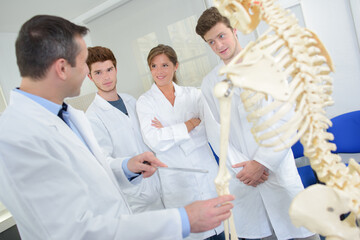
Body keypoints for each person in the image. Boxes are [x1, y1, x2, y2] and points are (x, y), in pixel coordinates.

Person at [0, 15, 235, 240]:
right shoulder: (17, 137)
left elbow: (97, 173)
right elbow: (72, 232)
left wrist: (126, 166)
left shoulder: (70, 116)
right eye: (84, 64)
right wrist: (183, 219)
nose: (89, 73)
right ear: (62, 68)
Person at [195, 7, 319, 240]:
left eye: (221, 36)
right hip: (244, 179)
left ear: (235, 29)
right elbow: (215, 131)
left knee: (302, 233)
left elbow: (287, 120)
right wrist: (243, 169)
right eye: (210, 42)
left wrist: (261, 163)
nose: (218, 46)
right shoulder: (210, 82)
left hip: (277, 171)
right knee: (260, 234)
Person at [136, 44, 224, 240]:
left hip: (207, 176)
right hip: (177, 182)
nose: (159, 72)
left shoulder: (194, 95)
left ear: (176, 66)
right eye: (154, 66)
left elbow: (208, 130)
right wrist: (191, 124)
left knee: (222, 231)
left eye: (165, 65)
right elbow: (154, 141)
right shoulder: (145, 102)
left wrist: (169, 132)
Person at [85, 46, 164, 213]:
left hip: (161, 186)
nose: (106, 77)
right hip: (136, 200)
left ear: (115, 69)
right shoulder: (92, 117)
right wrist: (128, 164)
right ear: (89, 76)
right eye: (98, 72)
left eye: (109, 69)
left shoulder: (132, 101)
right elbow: (103, 162)